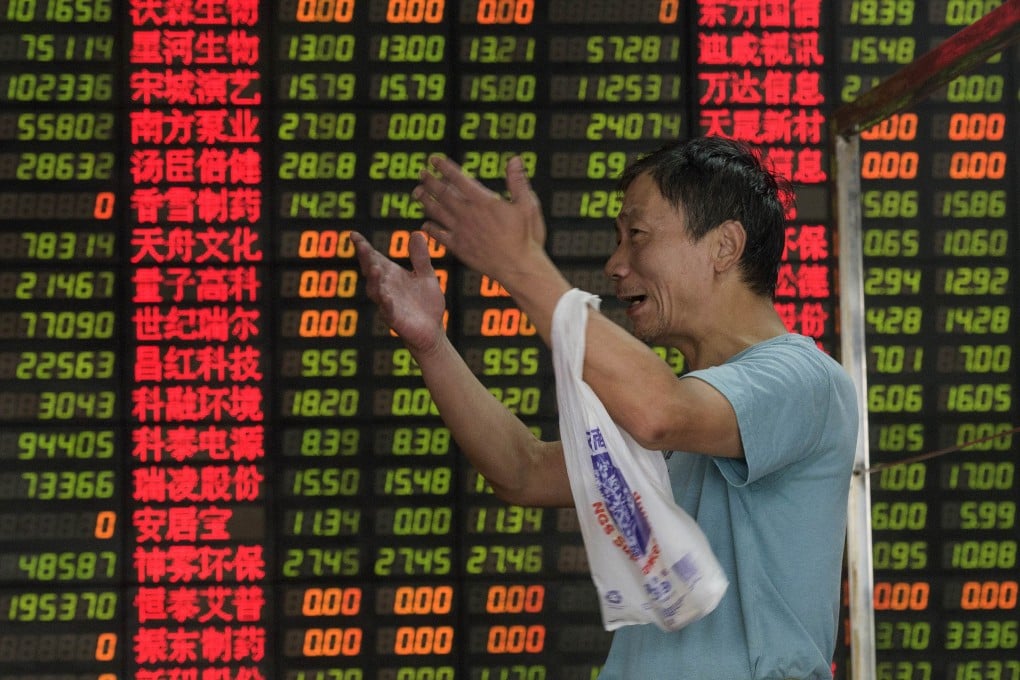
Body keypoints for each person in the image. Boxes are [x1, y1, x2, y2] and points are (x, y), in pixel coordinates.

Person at [351, 136, 858, 679]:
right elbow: (521, 471)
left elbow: (659, 412)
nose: (616, 264)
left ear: (724, 247)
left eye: (637, 236)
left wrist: (521, 266)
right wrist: (432, 344)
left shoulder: (804, 381)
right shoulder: (685, 407)